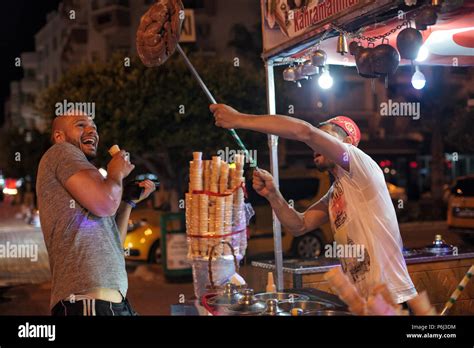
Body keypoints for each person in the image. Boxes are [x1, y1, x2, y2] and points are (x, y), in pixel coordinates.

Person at [210, 104, 417, 304]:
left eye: (324, 137)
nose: (316, 146)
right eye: (318, 140)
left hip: (391, 298)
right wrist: (273, 195)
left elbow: (305, 132)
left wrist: (239, 119)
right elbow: (298, 226)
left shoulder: (359, 164)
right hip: (365, 303)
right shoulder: (336, 192)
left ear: (346, 143)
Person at [36, 111, 155, 316]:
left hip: (110, 303)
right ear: (59, 136)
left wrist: (128, 202)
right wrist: (116, 172)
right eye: (81, 125)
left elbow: (114, 243)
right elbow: (106, 203)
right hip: (87, 303)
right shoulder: (61, 152)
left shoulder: (83, 178)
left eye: (94, 127)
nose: (92, 130)